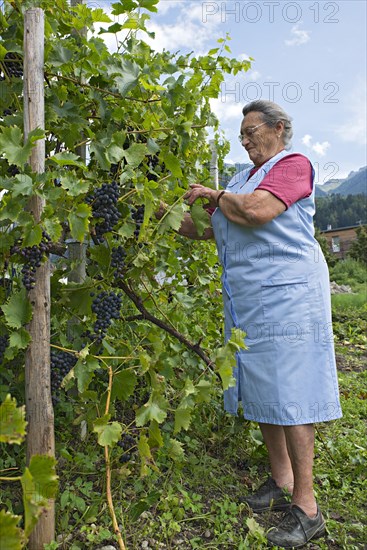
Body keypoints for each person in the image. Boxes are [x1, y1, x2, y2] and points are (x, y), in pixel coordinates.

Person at [167, 99, 342, 548]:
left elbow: (256, 212)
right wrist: (168, 218)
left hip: (289, 298)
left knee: (294, 394)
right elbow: (219, 229)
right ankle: (282, 483)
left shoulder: (292, 165)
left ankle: (308, 508)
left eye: (251, 132)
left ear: (279, 128)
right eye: (241, 135)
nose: (244, 141)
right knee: (263, 388)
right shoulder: (241, 179)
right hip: (251, 304)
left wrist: (216, 196)